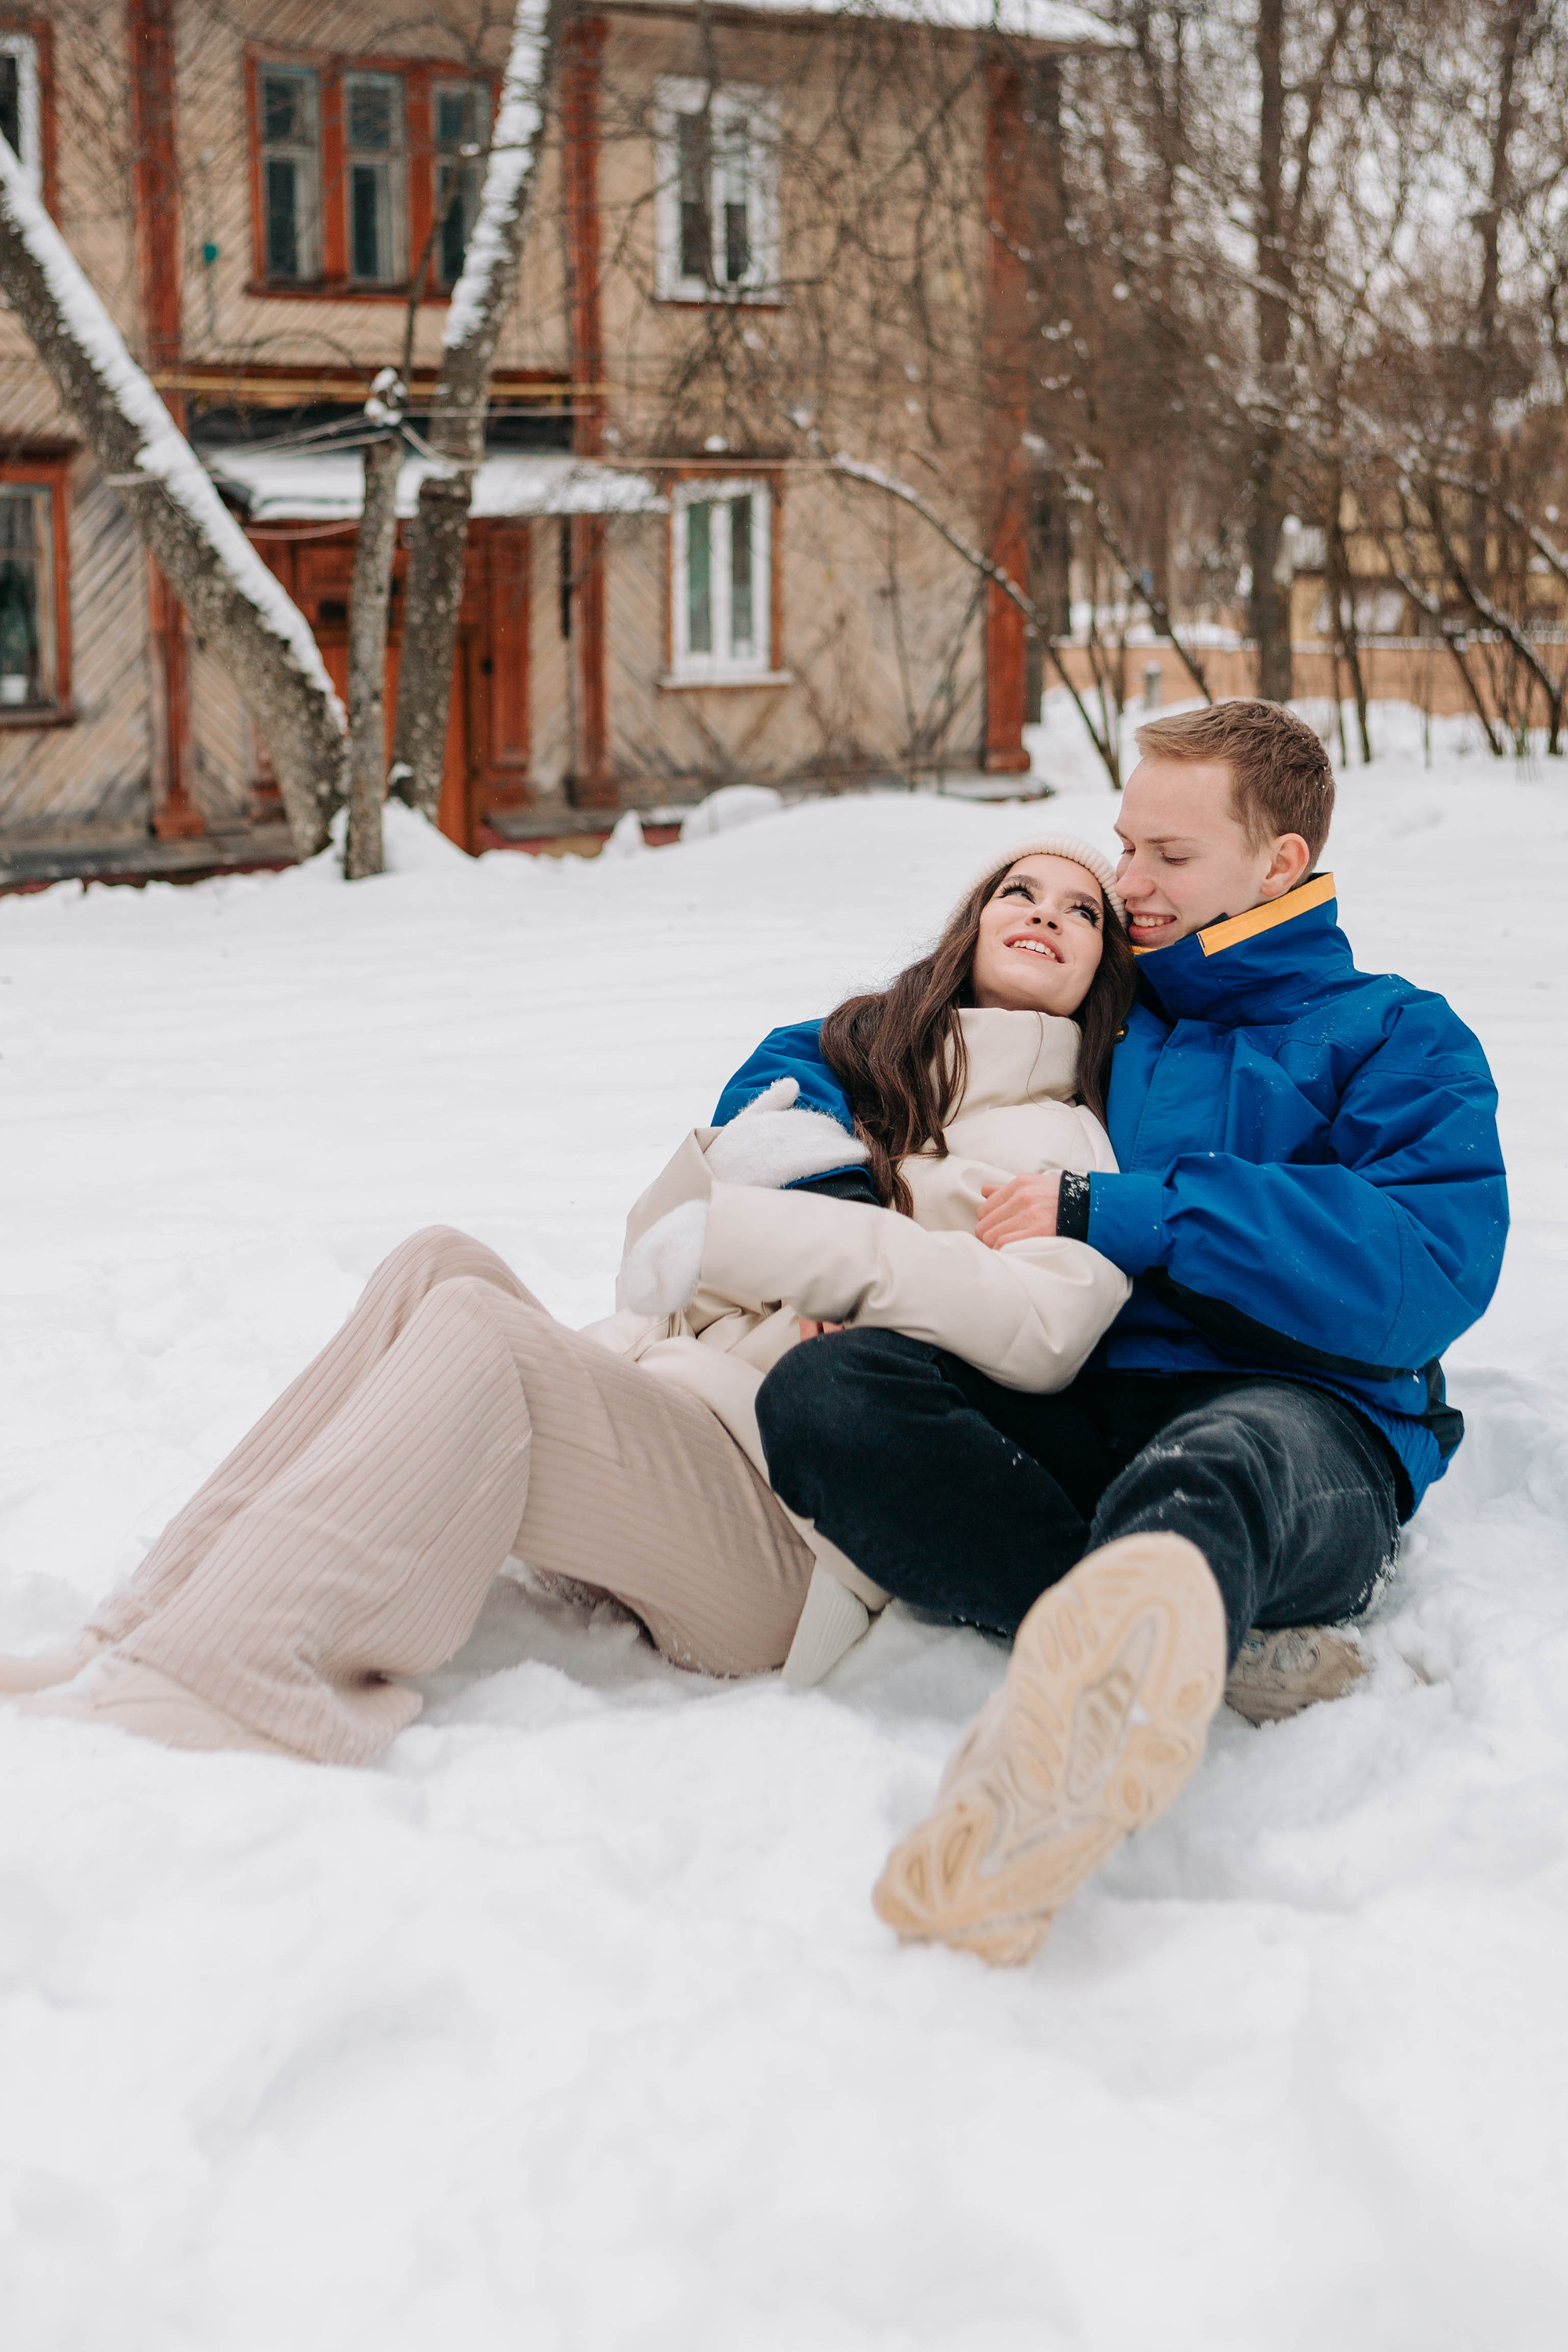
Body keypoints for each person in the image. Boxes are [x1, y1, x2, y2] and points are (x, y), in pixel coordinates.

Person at [0, 839, 1136, 1761]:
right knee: (437, 1262)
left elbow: (1041, 1329)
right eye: (1018, 891)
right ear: (970, 923)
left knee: (491, 1338)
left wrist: (828, 1259)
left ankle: (243, 1673)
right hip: (681, 1411)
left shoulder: (1065, 1141)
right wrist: (763, 1208)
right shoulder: (862, 1082)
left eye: (1081, 910)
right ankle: (144, 1626)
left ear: (1102, 970)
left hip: (783, 1530)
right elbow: (664, 1251)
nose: (1044, 913)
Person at [752, 699, 1508, 1965]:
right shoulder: (1116, 1004)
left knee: (1210, 1467)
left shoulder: (1395, 1034)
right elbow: (847, 1046)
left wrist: (1139, 1211)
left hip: (1301, 1425)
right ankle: (1197, 1645)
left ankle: (1045, 1780)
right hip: (1079, 1396)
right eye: (1125, 845)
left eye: (1170, 854)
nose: (1127, 883)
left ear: (1279, 862)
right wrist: (837, 1210)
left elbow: (1426, 1265)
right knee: (828, 1393)